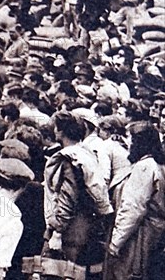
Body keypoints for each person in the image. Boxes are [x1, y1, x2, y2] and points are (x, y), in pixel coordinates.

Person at [43, 112, 113, 267]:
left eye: (55, 128)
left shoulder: (69, 159)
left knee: (58, 270)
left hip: (69, 229)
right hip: (82, 223)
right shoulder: (85, 153)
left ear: (61, 131)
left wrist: (57, 232)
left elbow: (67, 196)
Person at [105, 121, 165, 280]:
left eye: (130, 138)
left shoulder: (144, 167)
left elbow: (133, 208)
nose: (128, 142)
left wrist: (115, 242)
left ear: (140, 142)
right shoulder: (156, 164)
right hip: (149, 235)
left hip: (136, 237)